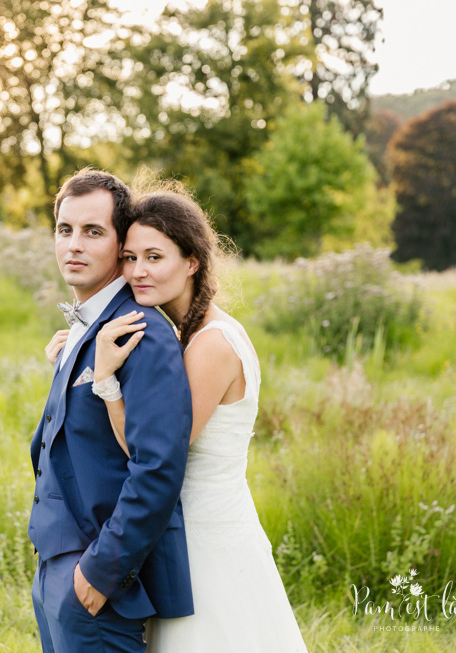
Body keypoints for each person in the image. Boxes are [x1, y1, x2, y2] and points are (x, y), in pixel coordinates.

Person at [88, 187, 307, 652]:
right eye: (129, 257)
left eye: (154, 256)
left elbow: (152, 453)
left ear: (192, 262)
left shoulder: (211, 345)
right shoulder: (178, 334)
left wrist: (105, 382)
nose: (138, 271)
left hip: (207, 543)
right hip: (183, 531)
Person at [29, 169, 194, 653]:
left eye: (93, 232)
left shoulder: (143, 334)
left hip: (97, 581)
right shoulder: (87, 326)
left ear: (121, 243)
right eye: (65, 230)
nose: (74, 245)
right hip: (55, 566)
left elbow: (158, 467)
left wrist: (99, 574)